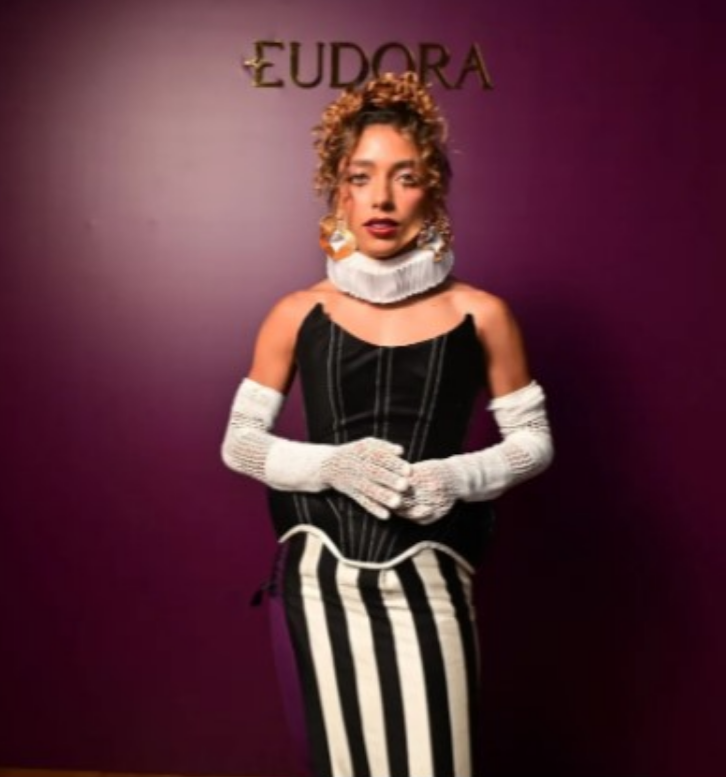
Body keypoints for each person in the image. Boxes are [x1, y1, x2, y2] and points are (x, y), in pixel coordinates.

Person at [221, 71, 553, 777]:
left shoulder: (482, 314)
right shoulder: (296, 312)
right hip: (318, 581)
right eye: (360, 176)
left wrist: (456, 476)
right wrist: (329, 464)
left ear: (432, 190)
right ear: (337, 191)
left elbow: (534, 443)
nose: (381, 198)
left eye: (405, 177)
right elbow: (239, 443)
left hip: (432, 574)